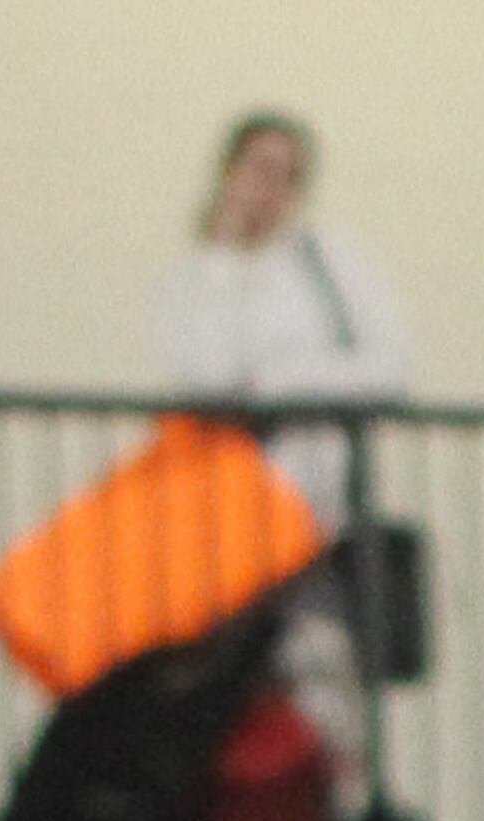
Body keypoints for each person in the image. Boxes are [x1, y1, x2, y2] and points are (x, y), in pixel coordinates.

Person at [154, 115, 408, 529]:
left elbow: (390, 367)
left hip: (326, 510)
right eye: (259, 170)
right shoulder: (193, 277)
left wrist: (278, 384)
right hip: (228, 508)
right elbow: (206, 378)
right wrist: (226, 259)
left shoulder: (330, 263)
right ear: (228, 174)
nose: (269, 189)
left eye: (287, 176)